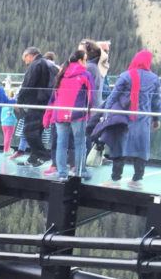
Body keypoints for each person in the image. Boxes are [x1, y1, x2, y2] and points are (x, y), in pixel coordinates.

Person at [102, 49, 161, 189]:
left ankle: (115, 180)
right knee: (141, 149)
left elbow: (113, 96)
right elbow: (156, 101)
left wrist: (105, 113)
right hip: (144, 120)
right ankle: (136, 181)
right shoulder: (154, 79)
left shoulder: (126, 75)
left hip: (124, 118)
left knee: (119, 147)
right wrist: (156, 119)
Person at [42, 49, 95, 179]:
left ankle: (62, 174)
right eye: (85, 59)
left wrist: (47, 116)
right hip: (78, 114)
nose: (86, 62)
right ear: (80, 60)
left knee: (61, 143)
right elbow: (91, 96)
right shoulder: (85, 75)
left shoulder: (61, 74)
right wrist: (89, 112)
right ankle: (79, 172)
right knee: (80, 143)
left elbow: (53, 97)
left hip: (59, 114)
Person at [14, 46, 54, 166]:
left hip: (36, 102)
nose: (25, 62)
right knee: (37, 131)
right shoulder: (48, 64)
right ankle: (33, 158)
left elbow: (28, 84)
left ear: (29, 55)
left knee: (28, 130)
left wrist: (19, 100)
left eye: (25, 59)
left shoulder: (36, 64)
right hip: (46, 101)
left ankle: (43, 154)